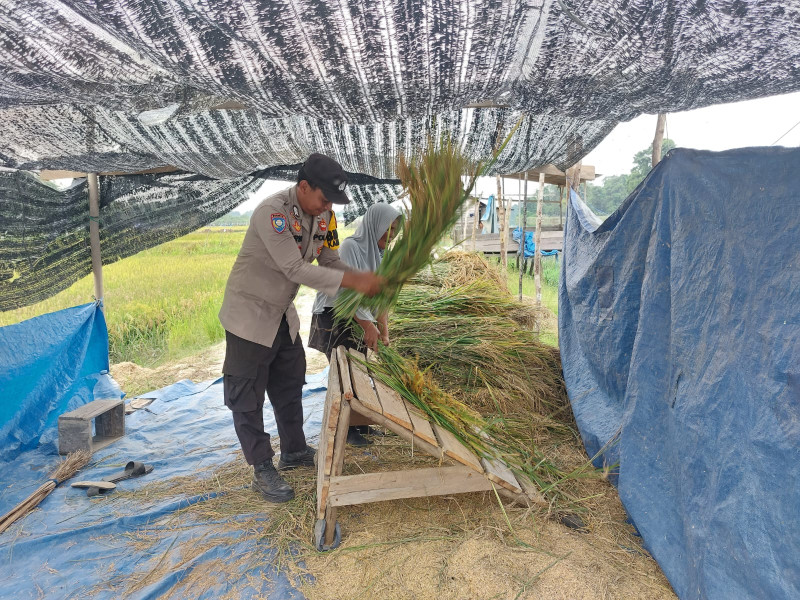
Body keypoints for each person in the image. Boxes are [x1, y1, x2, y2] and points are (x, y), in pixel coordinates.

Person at [218, 153, 382, 504]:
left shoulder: (325, 216)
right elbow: (295, 269)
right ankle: (261, 467)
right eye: (323, 199)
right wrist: (354, 281)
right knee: (246, 394)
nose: (326, 208)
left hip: (280, 313)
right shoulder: (273, 213)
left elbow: (331, 260)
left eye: (332, 204)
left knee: (289, 380)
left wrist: (358, 292)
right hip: (249, 314)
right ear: (303, 187)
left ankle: (292, 450)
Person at [308, 203, 402, 445]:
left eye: (395, 230)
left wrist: (383, 331)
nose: (391, 235)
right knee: (344, 373)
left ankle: (360, 423)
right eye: (388, 229)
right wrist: (368, 325)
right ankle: (347, 429)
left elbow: (381, 298)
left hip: (358, 317)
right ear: (375, 225)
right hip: (335, 314)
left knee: (359, 369)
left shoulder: (383, 256)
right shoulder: (351, 247)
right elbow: (343, 293)